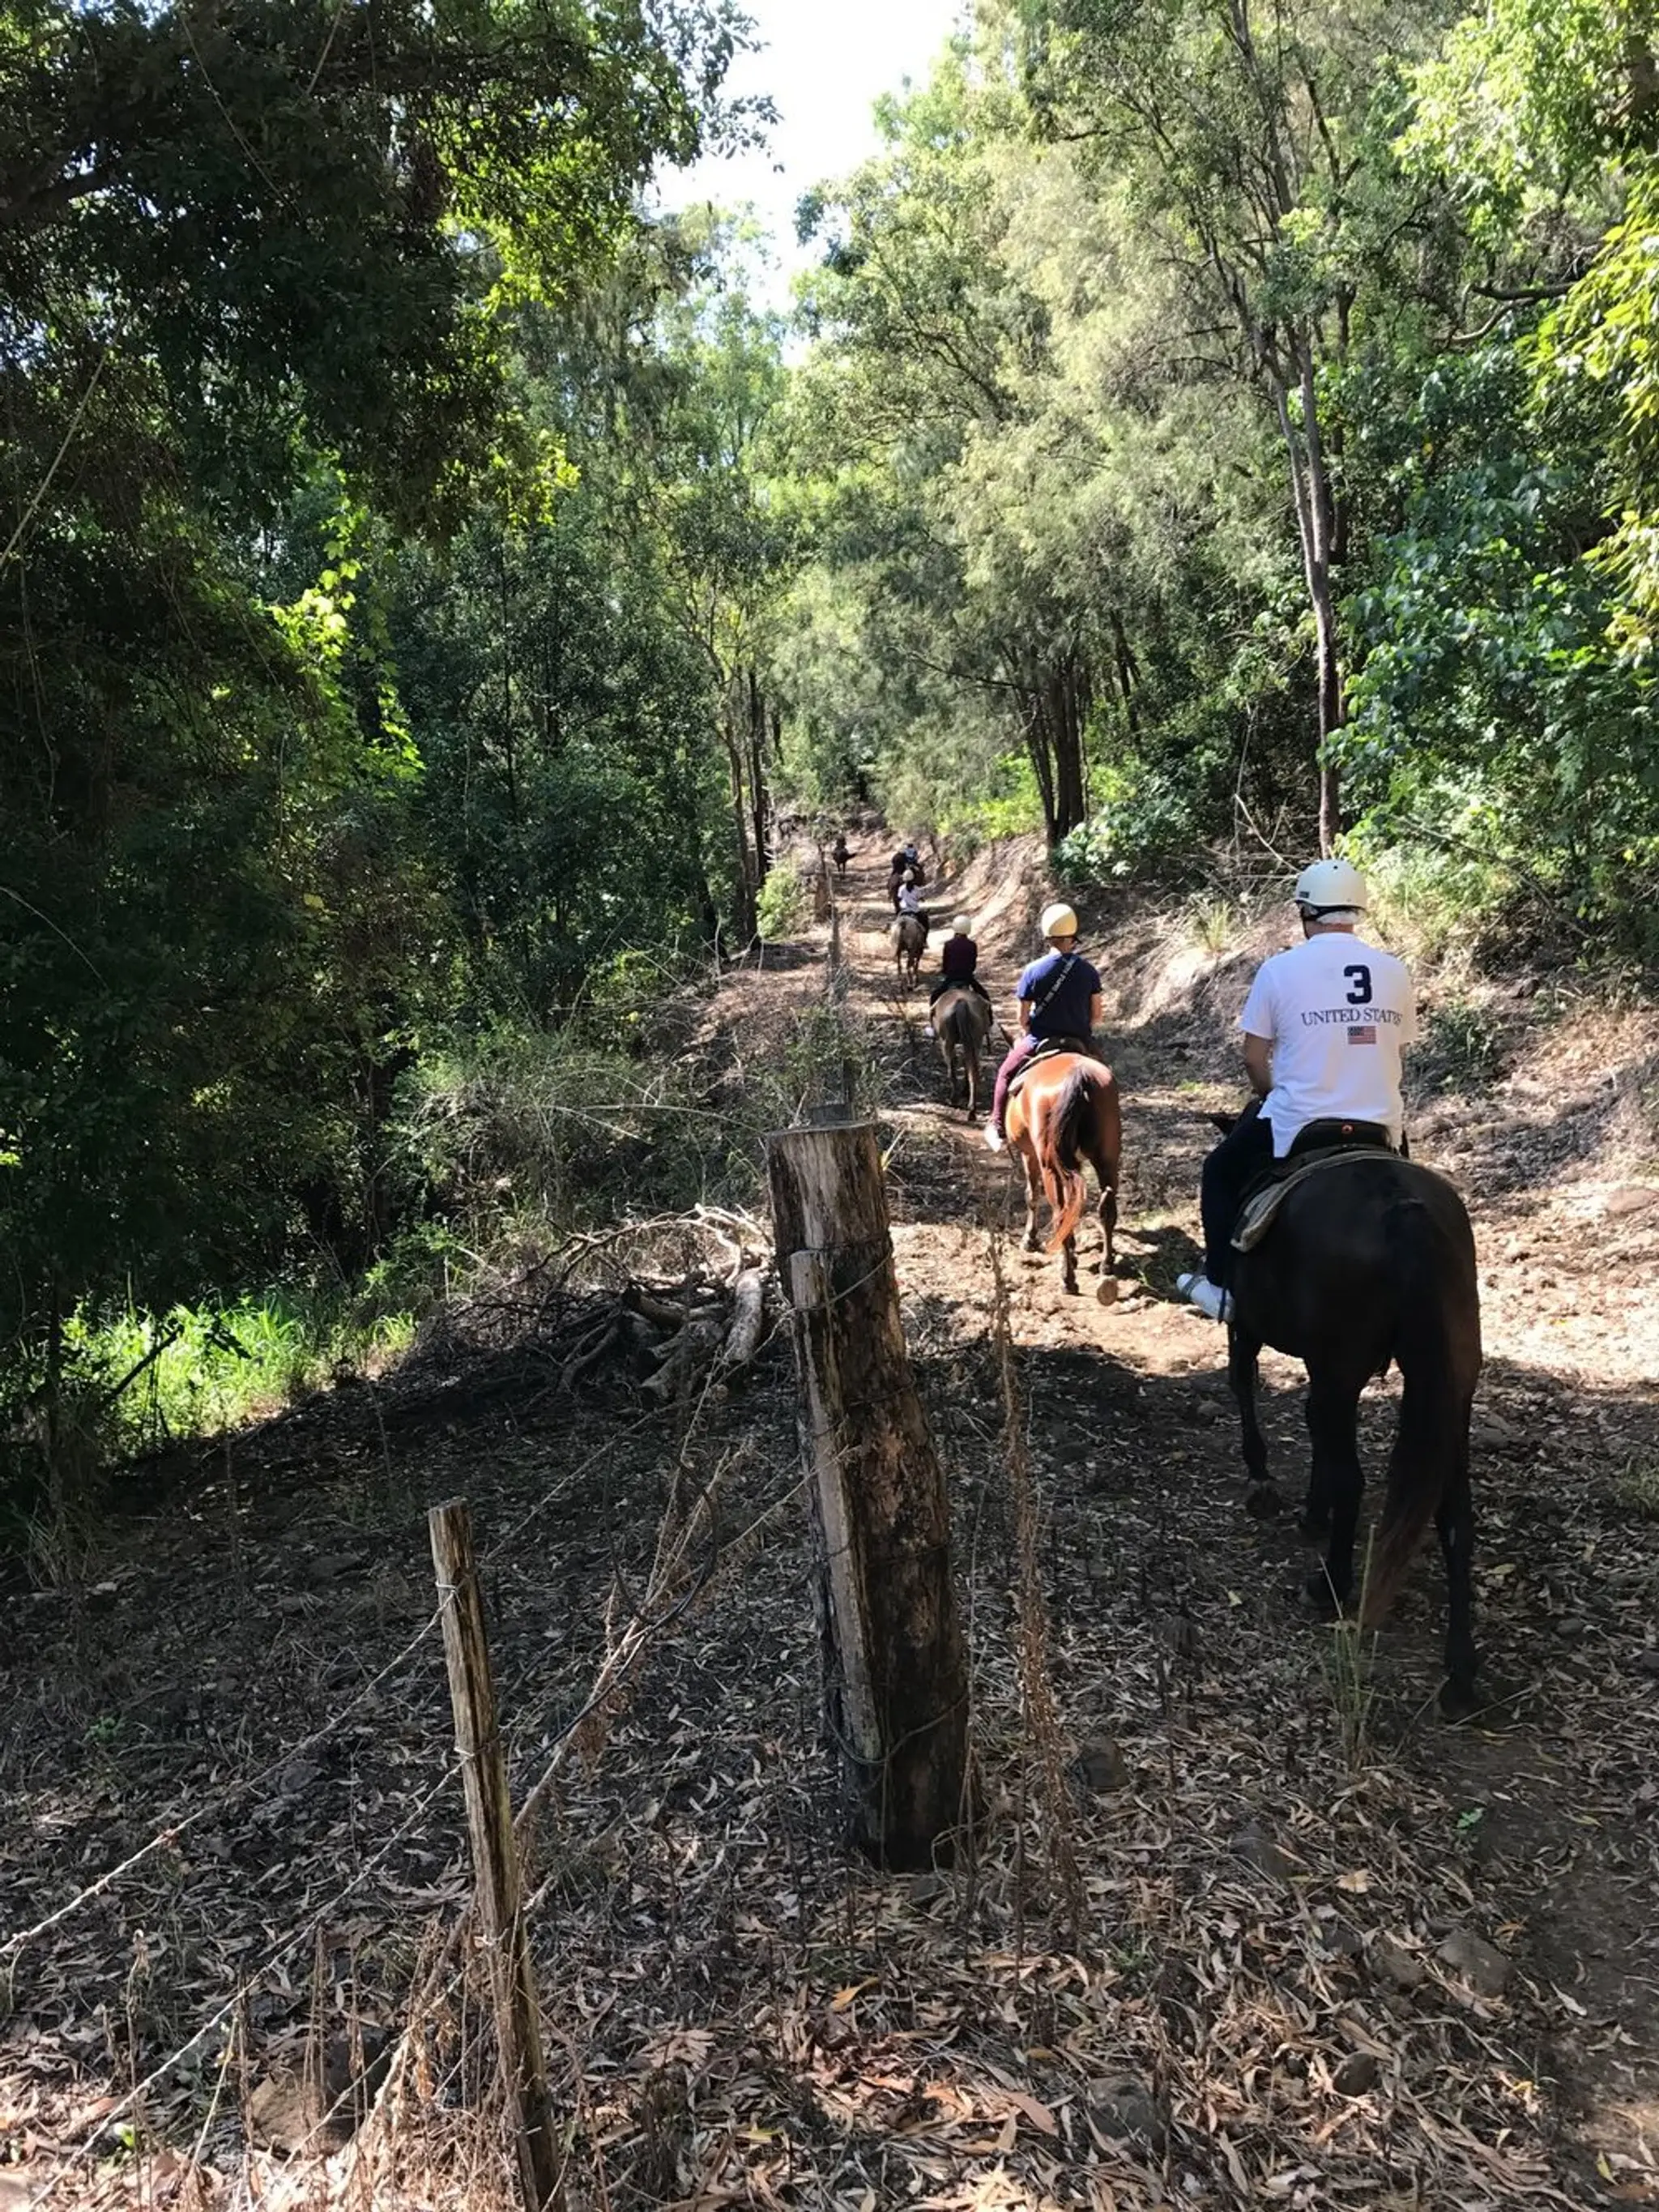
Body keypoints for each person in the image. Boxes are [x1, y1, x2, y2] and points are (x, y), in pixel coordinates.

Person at [1176, 857, 1418, 1322]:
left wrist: (1268, 1095)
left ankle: (1221, 1287)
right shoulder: (1393, 971)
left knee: (1220, 1172)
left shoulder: (1279, 971)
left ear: (1306, 911)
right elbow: (1396, 1052)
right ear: (1357, 911)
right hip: (1381, 1121)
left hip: (1299, 1122)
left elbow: (1253, 1057)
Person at [983, 903, 1103, 1151]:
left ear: (1047, 936)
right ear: (1073, 935)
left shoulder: (1033, 971)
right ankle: (1104, 1128)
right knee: (1105, 1079)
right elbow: (1097, 1015)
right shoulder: (1089, 971)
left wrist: (1029, 1027)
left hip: (1040, 1039)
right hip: (1080, 1039)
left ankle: (997, 1125)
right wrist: (1081, 1027)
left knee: (1005, 1073)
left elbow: (1022, 1018)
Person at [928, 915, 992, 1009]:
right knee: (985, 997)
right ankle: (990, 1020)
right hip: (967, 978)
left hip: (951, 978)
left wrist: (946, 972)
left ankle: (932, 1019)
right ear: (968, 929)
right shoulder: (972, 945)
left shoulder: (948, 945)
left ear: (955, 928)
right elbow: (973, 965)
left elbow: (945, 965)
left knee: (934, 997)